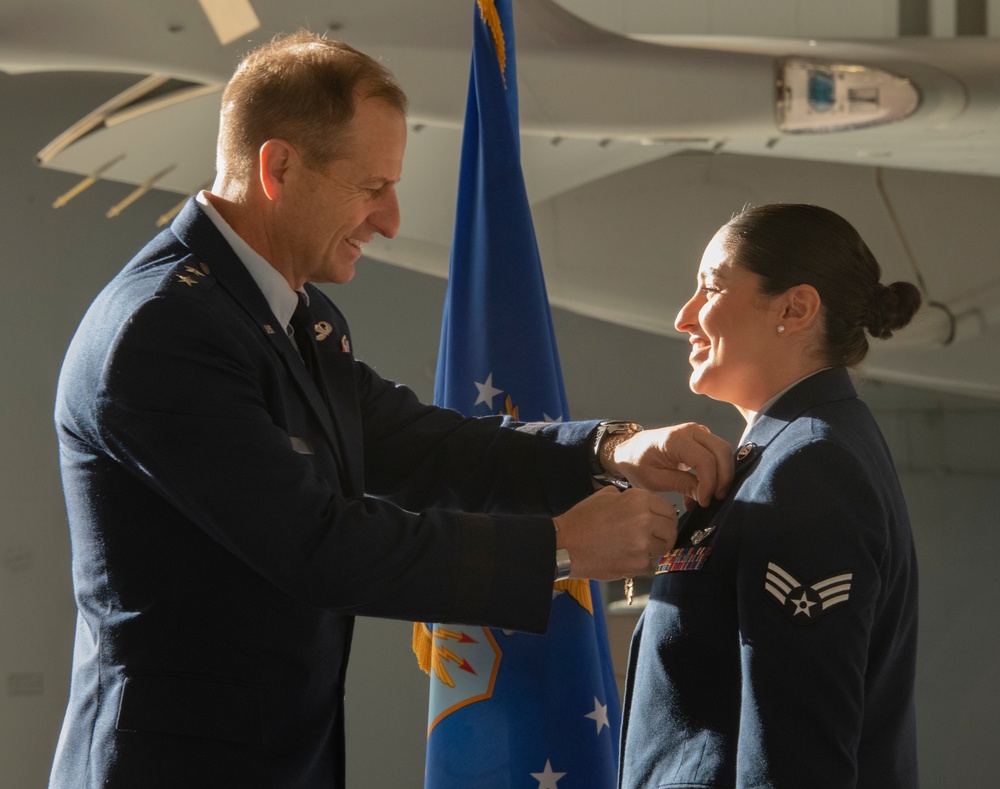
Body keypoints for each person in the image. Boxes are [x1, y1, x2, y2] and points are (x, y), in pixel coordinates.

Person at [48, 31, 734, 789]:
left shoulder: (292, 318)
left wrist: (606, 449)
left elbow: (424, 446)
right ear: (278, 167)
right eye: (371, 186)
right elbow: (317, 546)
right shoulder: (161, 331)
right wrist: (560, 547)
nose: (392, 218)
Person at [618, 203, 921, 788]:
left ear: (796, 308)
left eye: (710, 289)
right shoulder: (788, 455)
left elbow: (797, 757)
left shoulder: (810, 467)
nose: (684, 317)